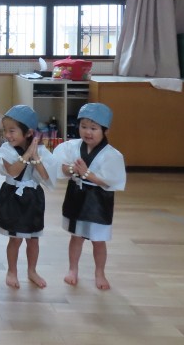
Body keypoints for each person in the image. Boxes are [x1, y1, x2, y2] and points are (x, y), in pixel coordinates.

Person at [52, 103, 126, 290]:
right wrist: (71, 169)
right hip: (76, 195)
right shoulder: (72, 147)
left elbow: (109, 181)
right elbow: (60, 166)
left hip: (98, 201)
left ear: (105, 130)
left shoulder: (111, 155)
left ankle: (100, 273)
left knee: (98, 240)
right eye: (83, 126)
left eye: (94, 128)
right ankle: (73, 269)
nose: (87, 132)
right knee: (76, 236)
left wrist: (86, 173)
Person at [0, 105, 57, 288]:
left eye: (12, 130)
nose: (7, 135)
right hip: (12, 196)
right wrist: (28, 154)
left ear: (28, 133)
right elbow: (13, 171)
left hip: (33, 197)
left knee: (33, 239)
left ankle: (32, 271)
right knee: (15, 238)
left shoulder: (41, 151)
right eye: (5, 130)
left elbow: (45, 176)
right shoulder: (5, 150)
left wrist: (35, 156)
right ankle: (12, 271)